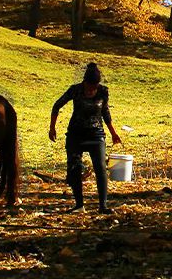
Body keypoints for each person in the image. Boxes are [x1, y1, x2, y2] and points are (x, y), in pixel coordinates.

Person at [49, 63, 122, 213]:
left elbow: (105, 112)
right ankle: (79, 205)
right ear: (84, 82)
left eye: (94, 87)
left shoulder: (103, 91)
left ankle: (103, 206)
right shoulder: (75, 90)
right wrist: (52, 128)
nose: (90, 90)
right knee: (74, 168)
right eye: (89, 87)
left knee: (100, 168)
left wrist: (113, 133)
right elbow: (56, 106)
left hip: (96, 134)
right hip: (76, 134)